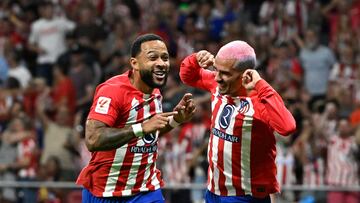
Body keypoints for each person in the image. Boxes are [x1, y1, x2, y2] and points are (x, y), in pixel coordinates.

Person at [76, 33, 196, 203]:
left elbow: (149, 134)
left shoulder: (155, 92)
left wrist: (177, 120)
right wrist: (141, 127)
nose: (161, 63)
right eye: (153, 58)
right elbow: (93, 139)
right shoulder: (112, 91)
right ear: (134, 63)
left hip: (145, 190)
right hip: (107, 191)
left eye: (165, 58)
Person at [180, 40, 296, 202]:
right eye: (216, 70)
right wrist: (196, 58)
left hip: (244, 195)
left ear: (245, 74)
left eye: (225, 73)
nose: (218, 78)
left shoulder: (259, 102)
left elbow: (287, 126)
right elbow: (187, 75)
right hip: (213, 190)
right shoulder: (218, 85)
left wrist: (261, 84)